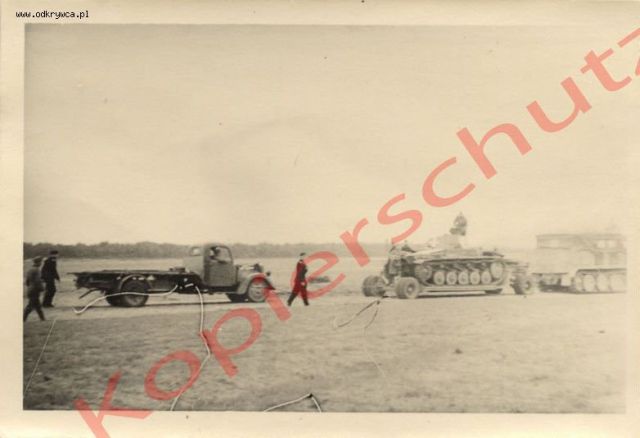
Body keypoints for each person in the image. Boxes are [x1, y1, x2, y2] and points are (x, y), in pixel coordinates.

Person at [24, 256, 46, 321]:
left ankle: (43, 319)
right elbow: (37, 281)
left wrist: (30, 286)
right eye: (41, 262)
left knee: (37, 306)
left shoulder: (30, 269)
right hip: (35, 290)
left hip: (30, 289)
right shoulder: (37, 270)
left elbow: (27, 281)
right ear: (39, 262)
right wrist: (42, 288)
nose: (41, 263)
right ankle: (23, 318)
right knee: (30, 306)